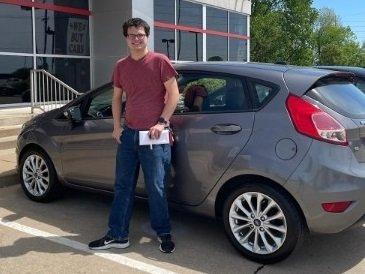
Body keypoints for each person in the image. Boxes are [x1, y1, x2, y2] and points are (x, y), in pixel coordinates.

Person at [88, 18, 179, 253]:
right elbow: (116, 98)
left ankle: (163, 232)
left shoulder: (160, 61)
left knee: (156, 187)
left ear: (147, 36)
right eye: (131, 35)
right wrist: (116, 127)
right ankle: (118, 235)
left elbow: (174, 93)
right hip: (129, 136)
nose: (136, 39)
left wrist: (162, 122)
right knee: (123, 187)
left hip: (154, 136)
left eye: (140, 34)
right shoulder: (121, 66)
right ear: (126, 38)